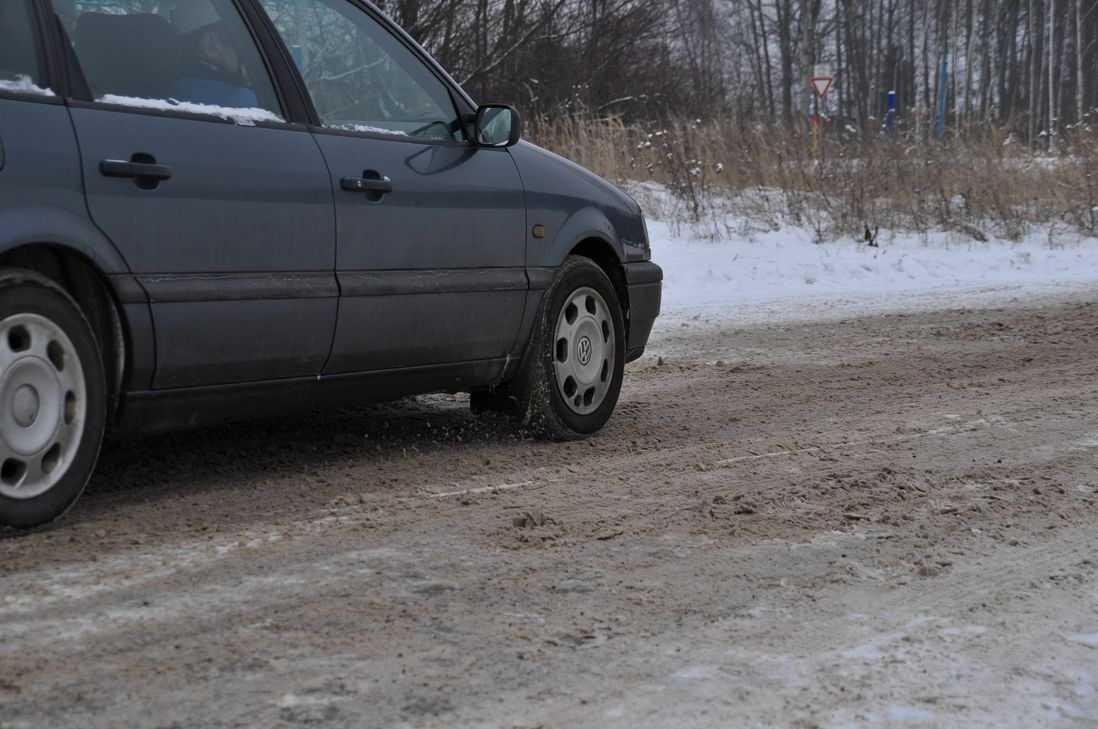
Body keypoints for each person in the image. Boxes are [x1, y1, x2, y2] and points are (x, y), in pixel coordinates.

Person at [168, 19, 258, 108]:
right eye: (247, 43)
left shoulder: (168, 89)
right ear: (212, 45)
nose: (255, 55)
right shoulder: (249, 105)